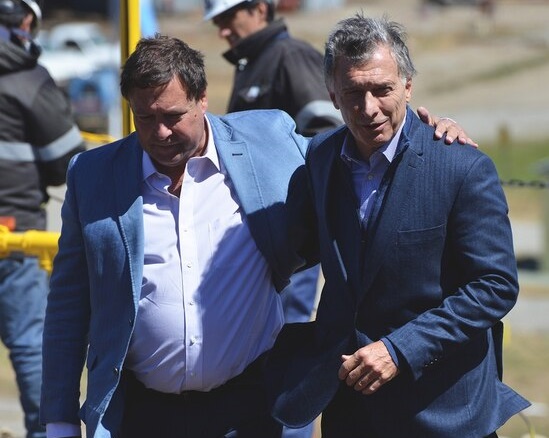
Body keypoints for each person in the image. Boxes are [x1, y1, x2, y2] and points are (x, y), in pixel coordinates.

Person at [39, 33, 469, 438]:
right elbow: (67, 307)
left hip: (250, 407)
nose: (160, 133)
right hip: (141, 413)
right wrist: (59, 421)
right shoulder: (92, 176)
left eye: (172, 117)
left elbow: (352, 147)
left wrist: (426, 130)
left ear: (202, 99)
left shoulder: (268, 141)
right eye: (144, 118)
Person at [266, 14, 530, 438]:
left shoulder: (460, 166)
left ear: (408, 86)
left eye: (382, 90)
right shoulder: (320, 157)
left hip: (444, 412)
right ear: (332, 95)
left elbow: (494, 285)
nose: (368, 108)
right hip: (351, 409)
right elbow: (296, 248)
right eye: (353, 93)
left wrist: (399, 350)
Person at [0, 0, 86, 437]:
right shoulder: (28, 79)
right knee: (31, 345)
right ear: (28, 21)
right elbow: (68, 161)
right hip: (15, 234)